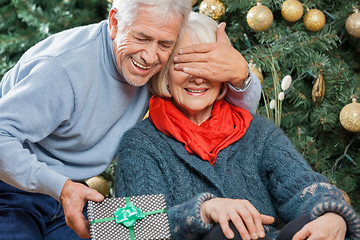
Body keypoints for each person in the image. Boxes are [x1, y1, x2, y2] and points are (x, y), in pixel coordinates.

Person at [0, 0, 262, 239]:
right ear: (114, 22)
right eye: (141, 37)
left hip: (71, 195)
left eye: (164, 44)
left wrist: (241, 77)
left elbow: (225, 116)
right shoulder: (61, 69)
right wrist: (61, 188)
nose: (149, 57)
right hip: (11, 188)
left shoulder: (155, 67)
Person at [115, 12, 360, 240]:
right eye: (185, 64)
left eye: (210, 65)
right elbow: (133, 228)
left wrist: (332, 215)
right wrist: (203, 211)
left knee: (310, 226)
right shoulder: (140, 144)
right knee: (225, 231)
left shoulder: (258, 132)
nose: (198, 77)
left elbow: (304, 186)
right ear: (165, 72)